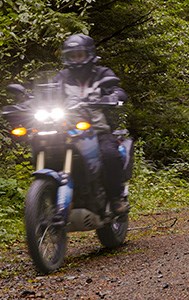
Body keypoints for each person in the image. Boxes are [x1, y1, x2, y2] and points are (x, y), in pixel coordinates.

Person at [54, 33, 128, 214]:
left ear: (89, 54)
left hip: (97, 130)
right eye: (72, 56)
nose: (76, 60)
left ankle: (116, 198)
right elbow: (48, 93)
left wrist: (114, 95)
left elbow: (117, 90)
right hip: (65, 130)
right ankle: (47, 196)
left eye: (79, 55)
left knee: (109, 154)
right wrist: (29, 101)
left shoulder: (102, 74)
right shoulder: (62, 77)